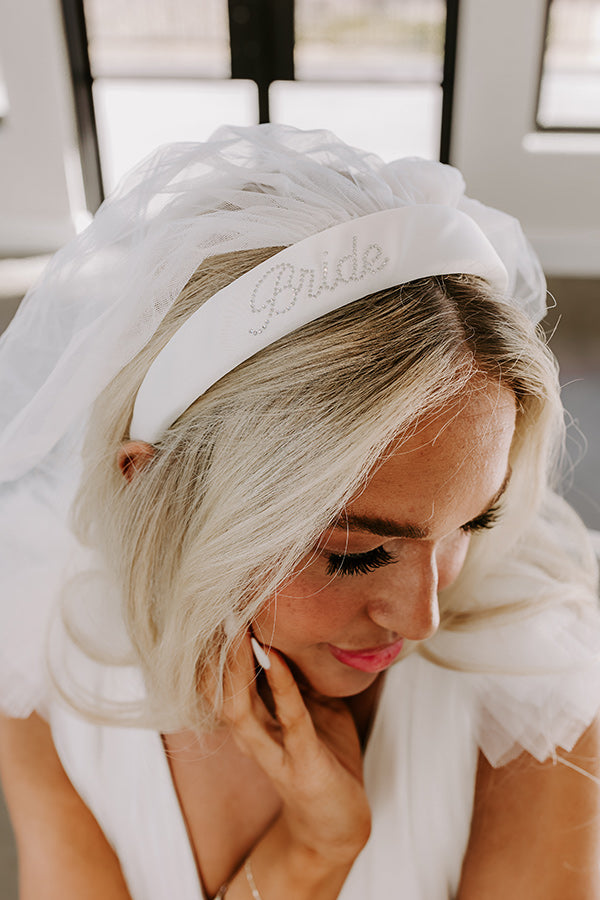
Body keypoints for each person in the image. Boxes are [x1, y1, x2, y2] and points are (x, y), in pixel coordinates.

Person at [0, 124, 599, 900]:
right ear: (154, 490)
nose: (423, 619)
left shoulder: (540, 700)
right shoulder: (40, 655)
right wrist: (313, 851)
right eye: (357, 552)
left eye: (470, 523)